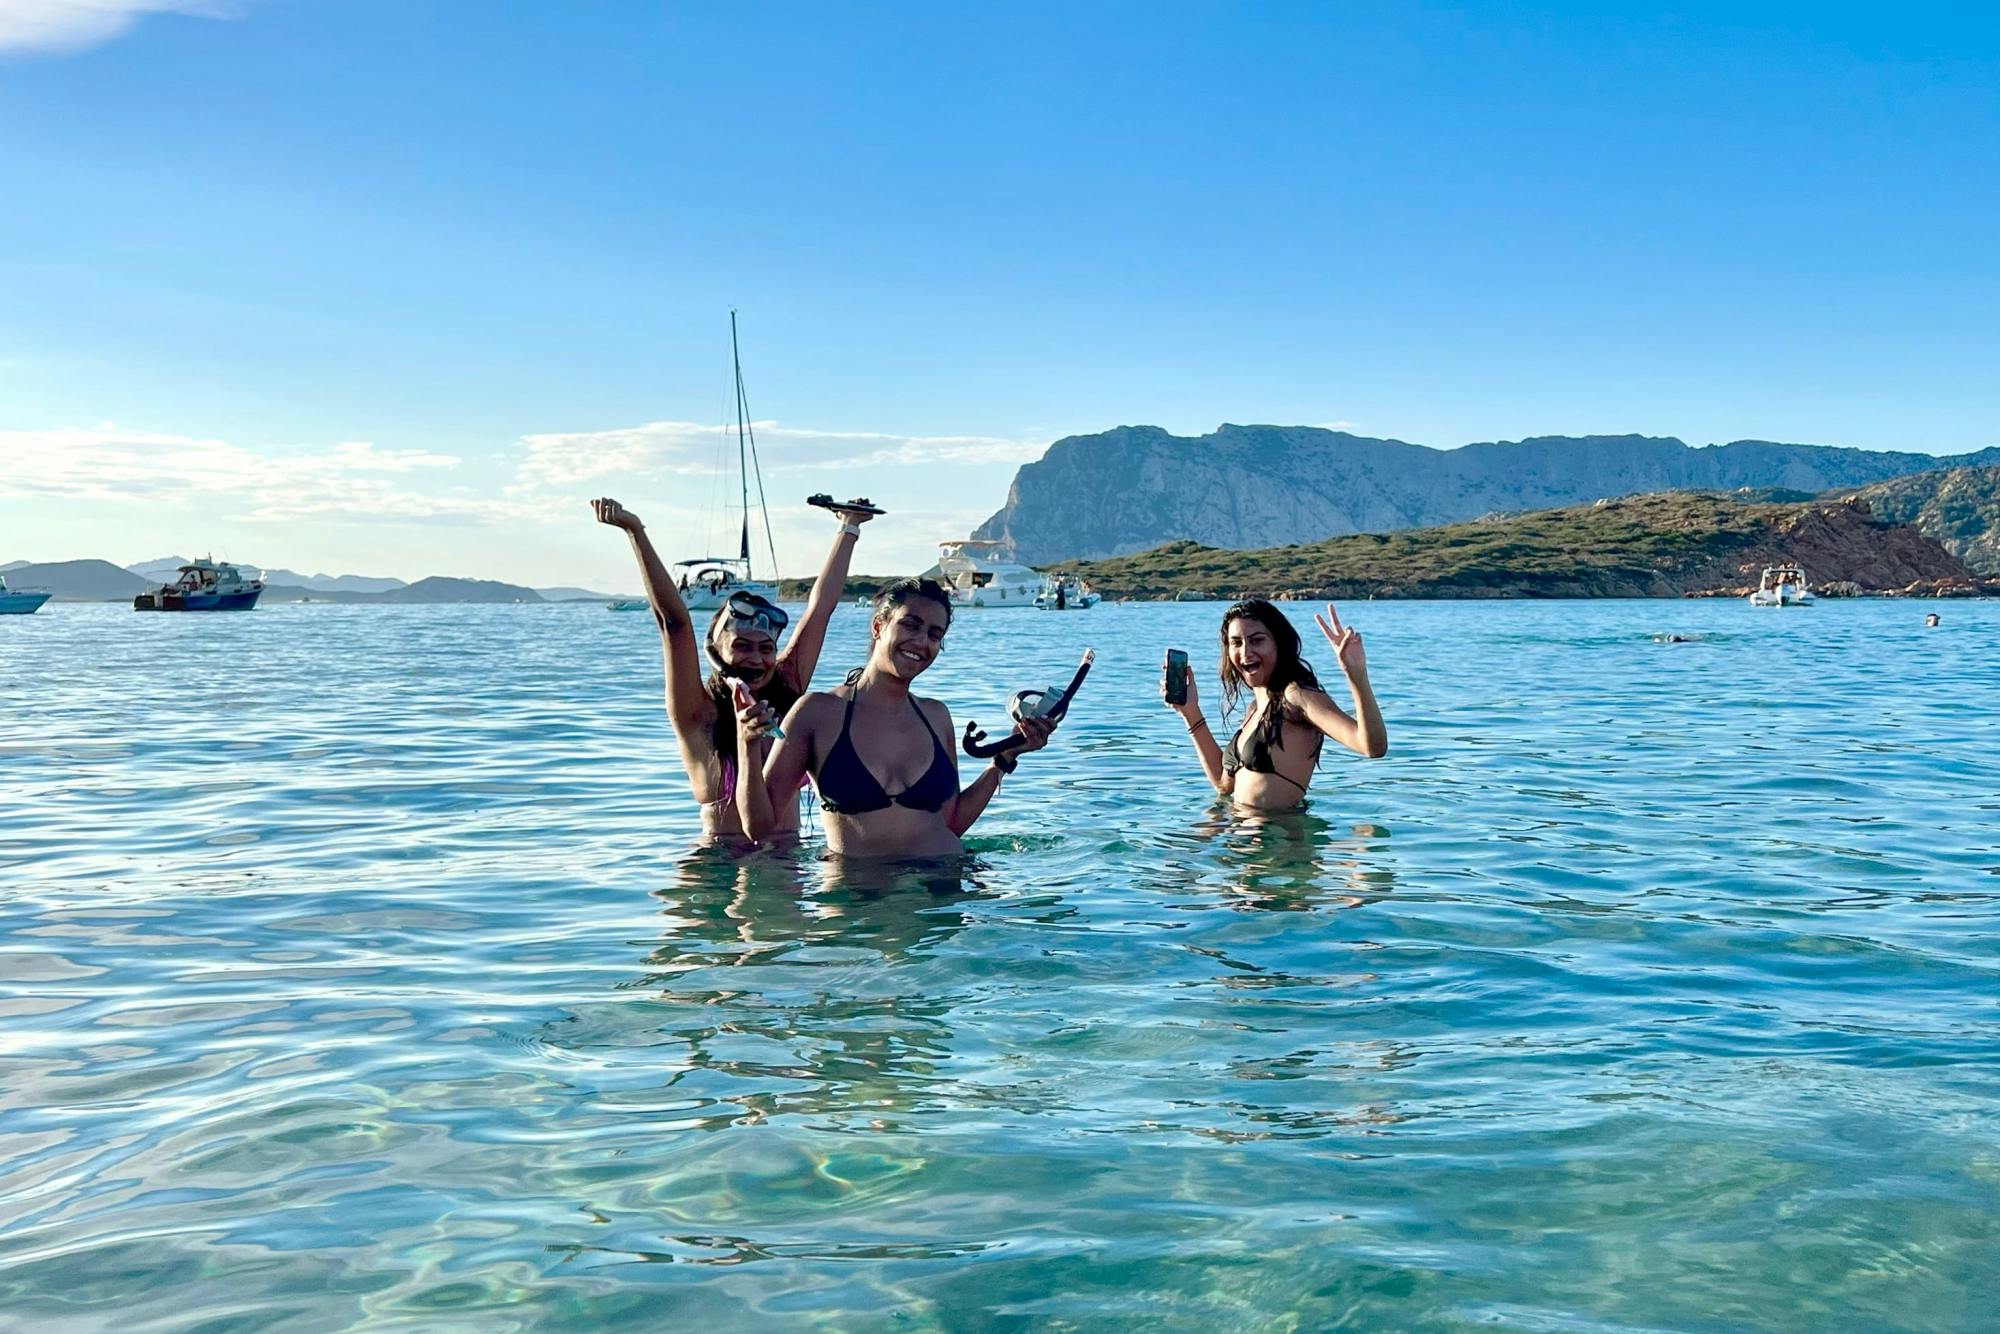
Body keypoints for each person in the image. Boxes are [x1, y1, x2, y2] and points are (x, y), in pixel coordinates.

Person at [592, 495, 875, 842]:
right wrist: (635, 531)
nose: (756, 659)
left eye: (766, 649)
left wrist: (849, 526)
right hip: (718, 867)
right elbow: (674, 624)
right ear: (717, 650)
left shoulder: (786, 693)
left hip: (787, 863)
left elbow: (820, 610)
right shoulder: (698, 714)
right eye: (742, 646)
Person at [734, 578, 1054, 856]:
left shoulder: (935, 716)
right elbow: (758, 828)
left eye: (934, 633)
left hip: (945, 891)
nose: (921, 642)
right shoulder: (816, 713)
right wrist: (747, 744)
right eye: (910, 625)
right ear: (879, 626)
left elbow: (951, 823)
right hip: (859, 905)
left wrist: (1004, 758)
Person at [1164, 599, 1386, 810]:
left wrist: (1356, 675)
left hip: (1280, 844)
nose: (1245, 651)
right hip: (1239, 838)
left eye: (1257, 640)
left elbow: (1372, 747)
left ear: (1279, 643)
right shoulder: (1254, 709)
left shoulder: (1297, 697)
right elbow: (1224, 785)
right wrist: (1190, 711)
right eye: (1236, 643)